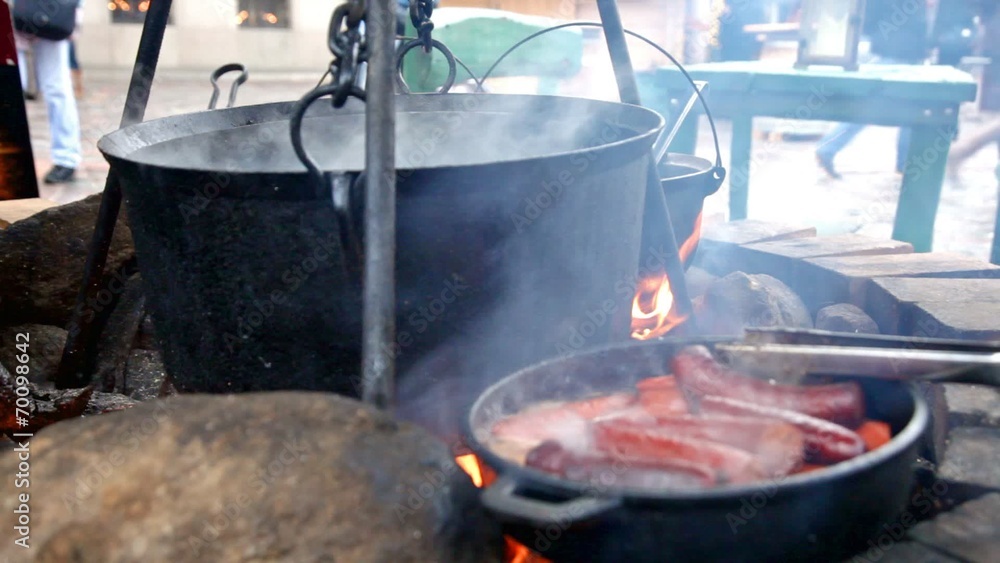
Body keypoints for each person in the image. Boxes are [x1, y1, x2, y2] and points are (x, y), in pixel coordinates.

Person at [814, 0, 935, 179]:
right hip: (901, 53)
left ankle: (906, 163)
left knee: (892, 109)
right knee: (890, 109)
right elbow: (915, 22)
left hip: (891, 49)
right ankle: (906, 164)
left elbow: (869, 19)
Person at [14, 0, 83, 184]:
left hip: (52, 11)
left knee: (56, 89)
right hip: (13, 11)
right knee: (9, 85)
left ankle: (66, 159)